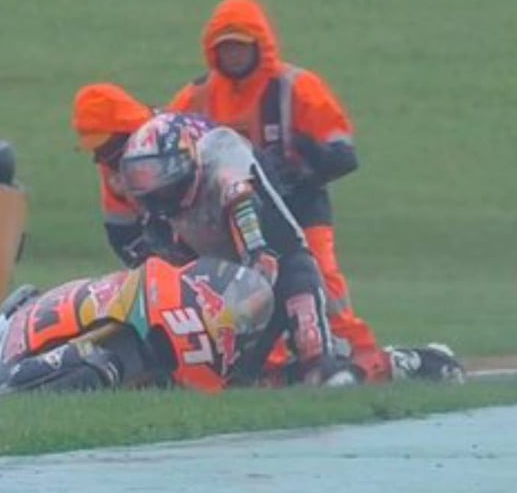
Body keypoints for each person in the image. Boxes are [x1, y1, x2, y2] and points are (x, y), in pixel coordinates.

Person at [166, 0, 391, 380]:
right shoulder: (197, 96)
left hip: (299, 203)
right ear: (213, 51)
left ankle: (356, 351)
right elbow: (166, 142)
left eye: (240, 46)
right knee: (242, 287)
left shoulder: (297, 87)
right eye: (226, 47)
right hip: (231, 214)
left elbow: (343, 154)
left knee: (321, 276)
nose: (234, 54)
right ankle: (266, 364)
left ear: (260, 45)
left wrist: (304, 166)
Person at [119, 113, 356, 386]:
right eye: (140, 175)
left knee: (314, 355)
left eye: (155, 172)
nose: (151, 187)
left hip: (276, 265)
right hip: (227, 280)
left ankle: (331, 363)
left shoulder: (223, 163)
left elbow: (247, 218)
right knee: (232, 379)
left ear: (179, 163)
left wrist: (253, 254)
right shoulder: (158, 218)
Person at [70, 83, 157, 267]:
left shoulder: (175, 141)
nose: (98, 158)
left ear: (126, 132)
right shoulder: (111, 161)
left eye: (104, 147)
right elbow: (120, 229)